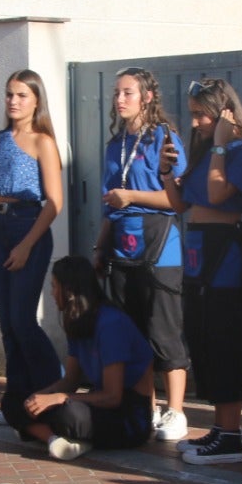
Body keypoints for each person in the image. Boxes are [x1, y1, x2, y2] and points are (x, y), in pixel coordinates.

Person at [159, 77, 242, 465]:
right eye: (193, 116)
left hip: (227, 248)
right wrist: (167, 173)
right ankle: (220, 428)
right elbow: (181, 205)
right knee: (202, 336)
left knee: (225, 338)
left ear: (223, 113)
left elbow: (220, 196)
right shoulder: (206, 152)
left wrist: (220, 141)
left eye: (203, 115)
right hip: (199, 246)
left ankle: (233, 433)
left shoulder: (241, 150)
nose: (197, 123)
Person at [0, 70, 65, 424]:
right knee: (7, 322)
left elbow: (54, 202)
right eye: (9, 94)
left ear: (36, 99)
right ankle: (16, 401)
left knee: (23, 319)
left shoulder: (42, 141)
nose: (13, 101)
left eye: (21, 95)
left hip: (28, 225)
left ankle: (53, 390)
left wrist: (26, 245)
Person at [94, 66, 191, 442]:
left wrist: (132, 196)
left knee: (163, 328)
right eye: (116, 93)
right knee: (131, 331)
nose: (120, 100)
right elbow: (110, 203)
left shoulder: (164, 139)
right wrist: (100, 247)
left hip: (159, 243)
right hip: (121, 243)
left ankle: (177, 411)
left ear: (147, 97)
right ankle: (144, 407)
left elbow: (176, 200)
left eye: (128, 93)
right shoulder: (114, 145)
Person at [2, 255, 155, 461]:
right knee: (14, 400)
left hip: (129, 417)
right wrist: (41, 396)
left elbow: (112, 397)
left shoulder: (111, 324)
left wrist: (59, 398)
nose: (52, 293)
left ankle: (43, 432)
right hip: (99, 404)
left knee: (69, 414)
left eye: (55, 287)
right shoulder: (76, 320)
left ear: (69, 291)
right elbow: (70, 381)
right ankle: (54, 440)